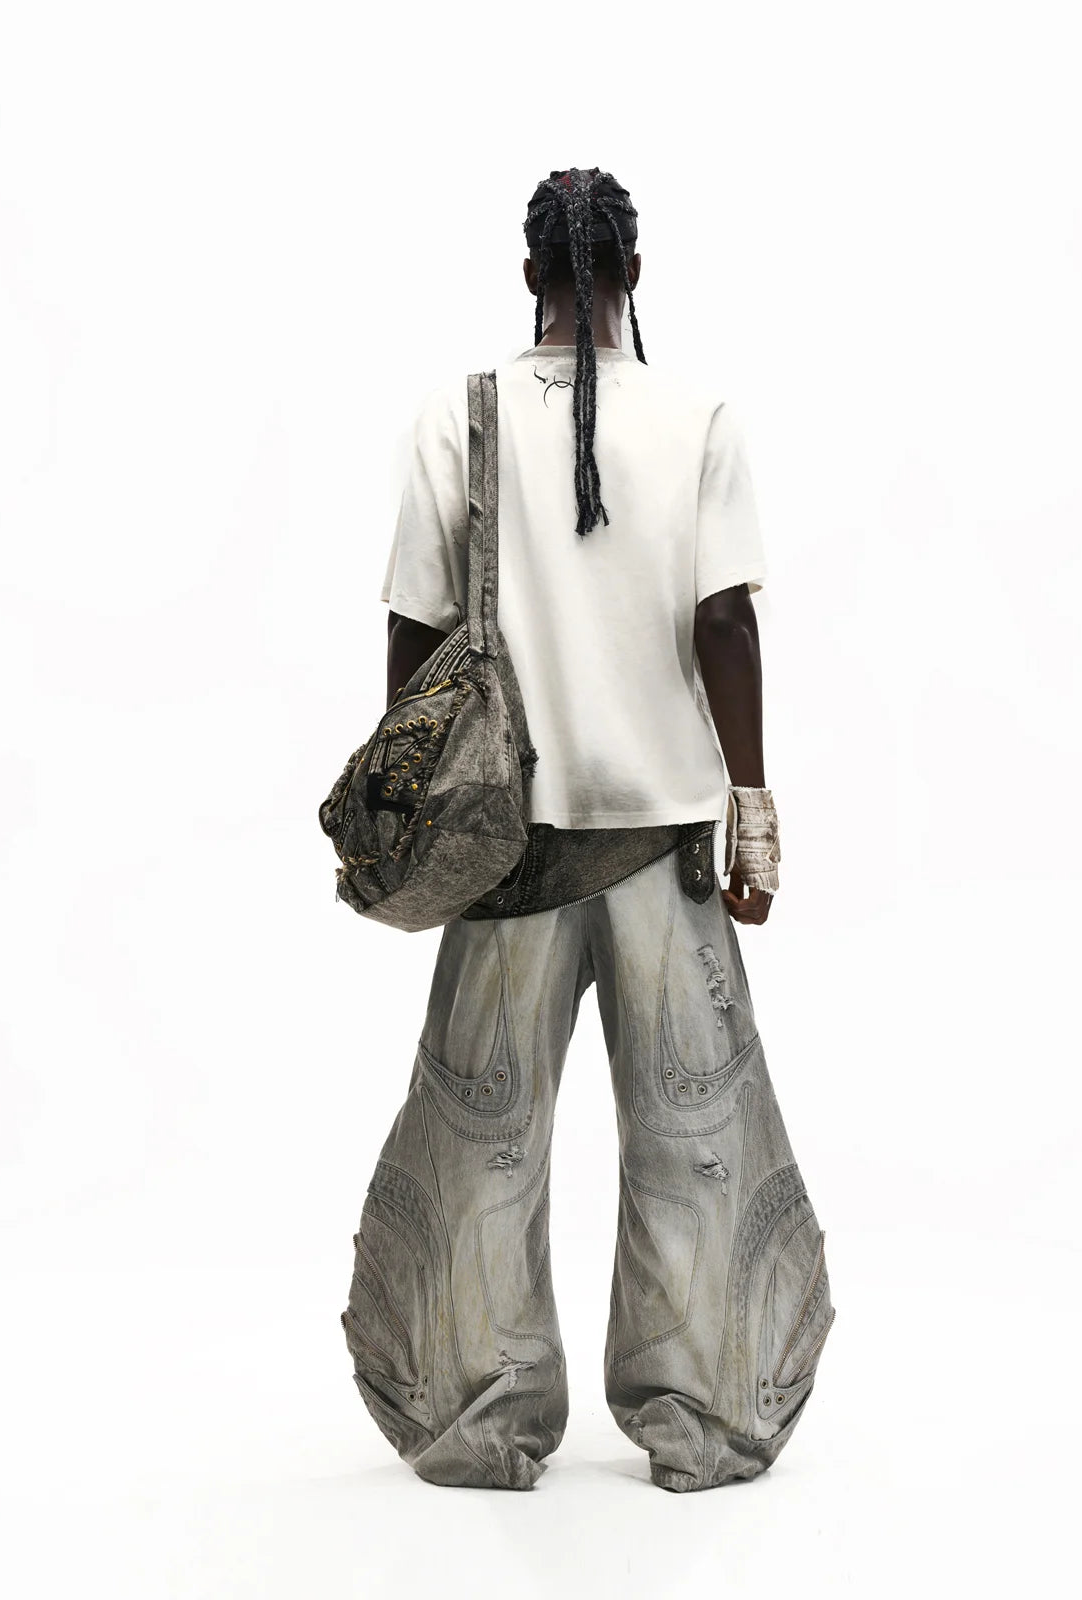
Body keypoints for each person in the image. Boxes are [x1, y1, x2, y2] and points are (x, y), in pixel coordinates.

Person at [340, 167, 834, 1492]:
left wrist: (414, 802)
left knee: (482, 1136)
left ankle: (477, 1415)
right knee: (695, 1138)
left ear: (531, 278)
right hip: (667, 848)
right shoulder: (699, 419)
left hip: (506, 851)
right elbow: (726, 621)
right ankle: (707, 1418)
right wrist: (753, 811)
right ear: (633, 275)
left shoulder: (458, 414)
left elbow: (415, 631)